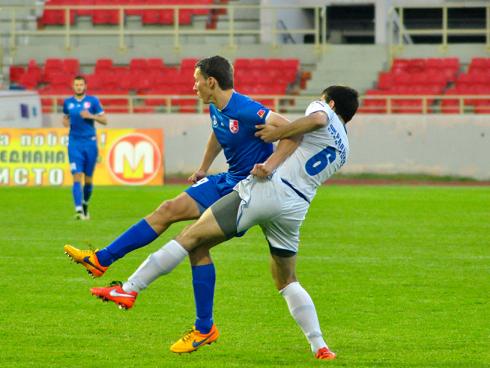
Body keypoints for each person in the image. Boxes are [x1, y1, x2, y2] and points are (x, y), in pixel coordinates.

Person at [89, 85, 359, 360]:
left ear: (332, 103)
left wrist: (277, 136)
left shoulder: (322, 109)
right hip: (296, 208)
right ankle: (320, 346)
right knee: (286, 278)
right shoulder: (345, 147)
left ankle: (129, 290)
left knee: (190, 236)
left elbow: (316, 121)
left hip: (269, 190)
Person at [64, 55, 293, 339]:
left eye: (196, 80)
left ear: (211, 82)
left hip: (246, 193)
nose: (193, 86)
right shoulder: (216, 107)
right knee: (167, 209)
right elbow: (217, 133)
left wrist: (270, 165)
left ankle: (204, 327)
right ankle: (101, 260)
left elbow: (292, 132)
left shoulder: (246, 108)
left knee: (196, 245)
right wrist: (203, 168)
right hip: (226, 179)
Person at [63, 75, 107, 220]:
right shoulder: (67, 102)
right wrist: (65, 121)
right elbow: (65, 118)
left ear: (85, 86)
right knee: (76, 175)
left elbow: (104, 120)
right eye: (76, 85)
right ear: (73, 86)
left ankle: (85, 204)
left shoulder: (93, 101)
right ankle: (78, 210)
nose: (79, 87)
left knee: (88, 179)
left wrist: (91, 116)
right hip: (74, 143)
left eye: (81, 85)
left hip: (90, 143)